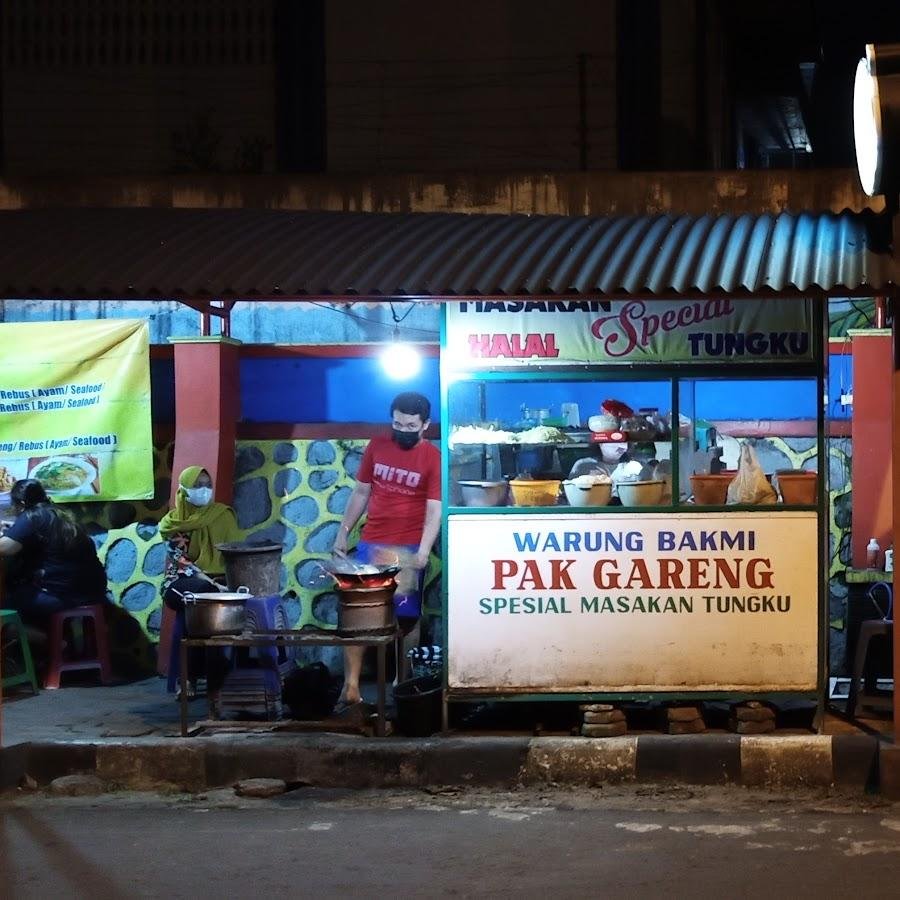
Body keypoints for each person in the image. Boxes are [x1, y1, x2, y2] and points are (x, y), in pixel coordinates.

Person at [332, 391, 442, 706]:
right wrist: (343, 533)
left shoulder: (432, 458)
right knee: (358, 615)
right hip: (371, 544)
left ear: (425, 424)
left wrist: (423, 552)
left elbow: (434, 509)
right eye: (397, 423)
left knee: (406, 618)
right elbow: (361, 492)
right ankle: (350, 687)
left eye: (410, 425)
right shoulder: (377, 446)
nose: (402, 430)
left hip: (407, 548)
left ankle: (403, 683)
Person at [158, 465, 239, 695]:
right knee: (201, 597)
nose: (204, 490)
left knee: (204, 609)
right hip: (181, 582)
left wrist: (220, 583)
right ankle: (190, 679)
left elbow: (235, 551)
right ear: (184, 490)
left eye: (207, 485)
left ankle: (208, 679)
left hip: (218, 581)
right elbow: (182, 562)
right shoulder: (172, 522)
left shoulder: (222, 515)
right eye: (197, 485)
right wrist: (212, 584)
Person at [0, 478, 107, 628]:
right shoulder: (60, 514)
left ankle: (44, 640)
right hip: (93, 593)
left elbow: (5, 548)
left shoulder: (33, 515)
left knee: (6, 602)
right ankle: (53, 641)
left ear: (22, 504)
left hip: (64, 597)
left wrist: (9, 533)